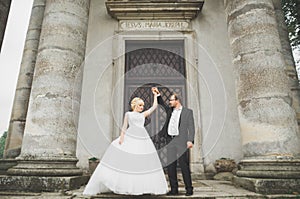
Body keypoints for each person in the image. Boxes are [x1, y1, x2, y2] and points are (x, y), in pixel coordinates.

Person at [83, 88, 168, 196]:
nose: (142, 107)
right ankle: (126, 185)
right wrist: (122, 138)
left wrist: (156, 96)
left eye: (142, 106)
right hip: (131, 135)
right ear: (135, 105)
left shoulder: (143, 115)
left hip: (142, 137)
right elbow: (124, 127)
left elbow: (154, 107)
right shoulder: (128, 114)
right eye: (140, 105)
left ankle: (141, 186)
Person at [153, 87, 195, 196]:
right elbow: (161, 103)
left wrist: (190, 140)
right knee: (171, 166)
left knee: (184, 165)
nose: (170, 102)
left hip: (181, 141)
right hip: (170, 140)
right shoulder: (169, 110)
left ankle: (189, 189)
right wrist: (158, 94)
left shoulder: (188, 112)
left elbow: (191, 127)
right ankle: (174, 189)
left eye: (171, 100)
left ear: (177, 100)